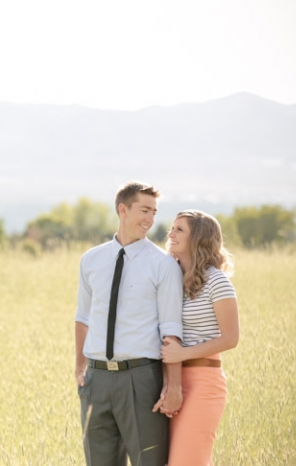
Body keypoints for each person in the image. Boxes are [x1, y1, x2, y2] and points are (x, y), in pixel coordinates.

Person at [75, 181, 184, 466]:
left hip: (141, 379)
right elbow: (83, 317)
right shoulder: (91, 260)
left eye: (154, 212)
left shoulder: (163, 264)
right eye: (144, 210)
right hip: (96, 380)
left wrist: (173, 386)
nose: (150, 219)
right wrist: (79, 367)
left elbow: (171, 329)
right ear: (123, 210)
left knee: (148, 461)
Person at [161, 210, 240, 466]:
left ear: (199, 238)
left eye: (179, 229)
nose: (170, 233)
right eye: (172, 228)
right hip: (166, 381)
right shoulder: (169, 278)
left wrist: (183, 354)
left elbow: (230, 338)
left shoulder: (217, 281)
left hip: (203, 384)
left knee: (187, 462)